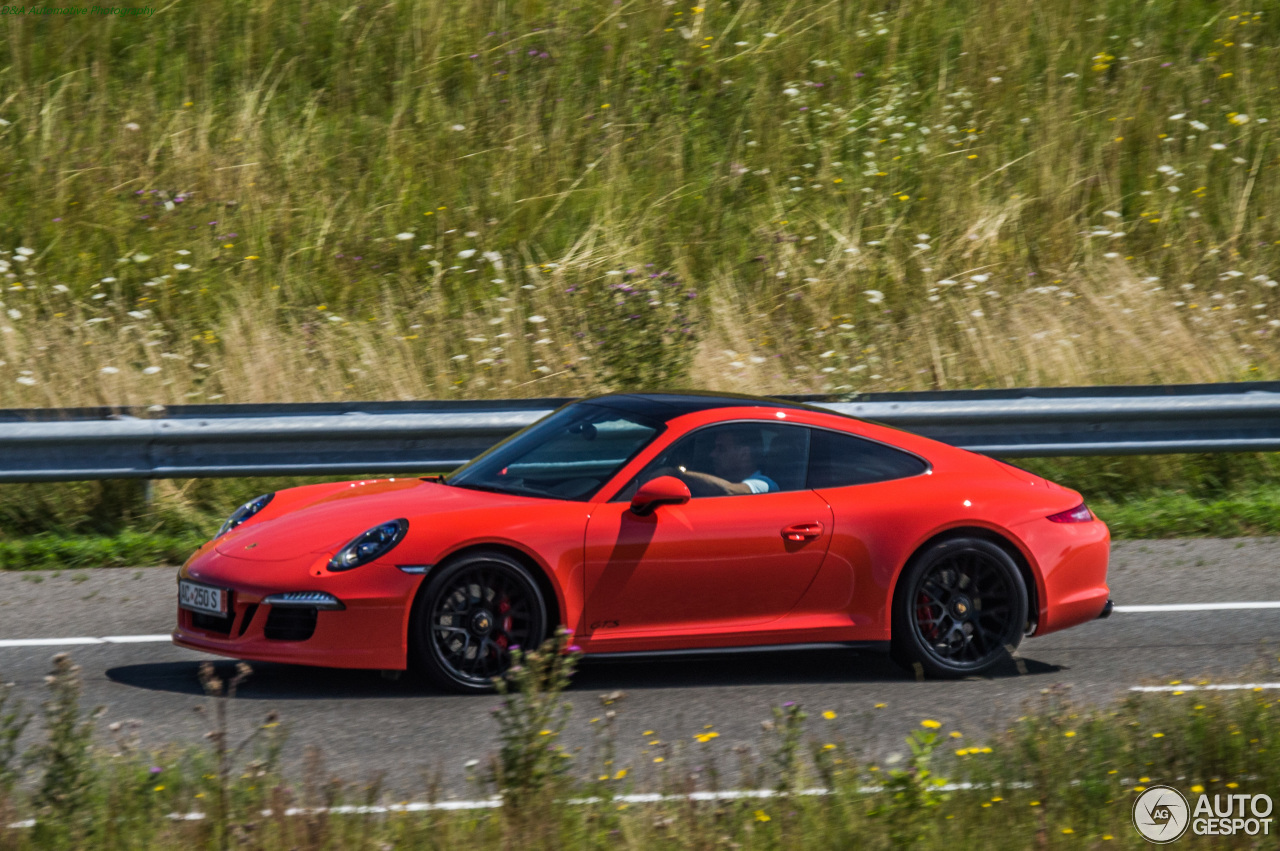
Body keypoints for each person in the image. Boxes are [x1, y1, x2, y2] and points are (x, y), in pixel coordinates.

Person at [653, 426, 778, 496]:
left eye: (721, 449)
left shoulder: (764, 484)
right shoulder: (716, 481)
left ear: (744, 454)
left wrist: (677, 474)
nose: (713, 454)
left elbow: (729, 490)